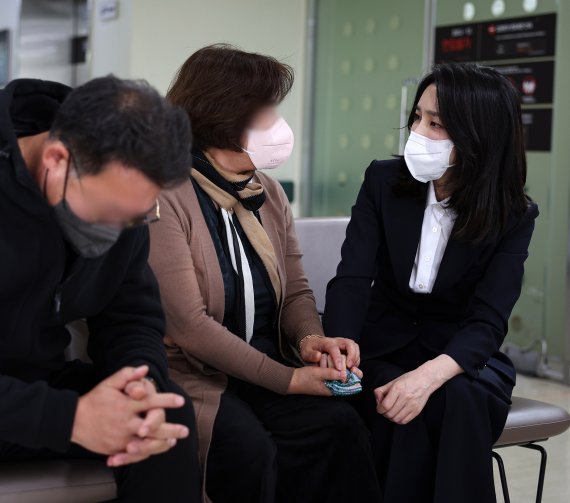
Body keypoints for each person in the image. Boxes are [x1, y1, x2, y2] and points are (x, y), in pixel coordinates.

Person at [148, 44, 382, 503]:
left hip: (264, 363)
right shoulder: (166, 193)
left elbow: (295, 288)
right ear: (222, 115)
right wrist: (289, 379)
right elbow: (190, 326)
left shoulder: (267, 191)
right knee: (246, 450)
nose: (279, 123)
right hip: (191, 373)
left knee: (339, 427)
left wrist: (311, 341)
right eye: (266, 110)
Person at [323, 62, 539, 503]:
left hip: (460, 353)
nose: (418, 132)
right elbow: (352, 275)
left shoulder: (514, 213)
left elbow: (488, 319)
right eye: (416, 118)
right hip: (382, 345)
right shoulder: (383, 180)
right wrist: (341, 342)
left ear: (479, 136)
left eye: (436, 124)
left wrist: (426, 377)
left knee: (455, 400)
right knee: (395, 406)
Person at [0, 76, 201, 501]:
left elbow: (131, 316)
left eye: (133, 218)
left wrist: (138, 382)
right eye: (109, 215)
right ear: (57, 158)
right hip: (21, 405)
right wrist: (68, 418)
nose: (118, 232)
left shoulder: (121, 196)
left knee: (163, 415)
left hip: (38, 386)